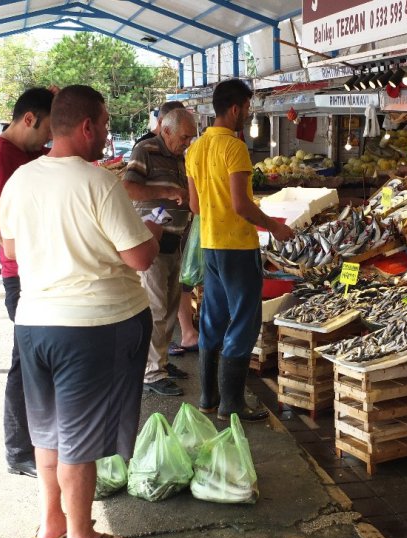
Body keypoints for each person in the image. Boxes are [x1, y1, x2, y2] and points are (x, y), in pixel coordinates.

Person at [0, 84, 158, 538]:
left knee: (47, 435)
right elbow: (140, 259)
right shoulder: (98, 182)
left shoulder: (21, 181)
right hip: (92, 329)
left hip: (34, 325)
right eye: (106, 124)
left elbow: (9, 249)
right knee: (79, 444)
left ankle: (52, 526)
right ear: (87, 126)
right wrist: (148, 231)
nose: (107, 134)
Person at [186, 79, 294, 421]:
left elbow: (194, 205)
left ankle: (208, 398)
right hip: (236, 246)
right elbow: (241, 205)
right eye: (247, 109)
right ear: (235, 108)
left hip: (210, 245)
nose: (247, 115)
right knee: (245, 321)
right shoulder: (234, 148)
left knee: (213, 318)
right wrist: (275, 226)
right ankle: (232, 403)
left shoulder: (196, 149)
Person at [0, 87, 55, 479]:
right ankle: (19, 451)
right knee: (25, 365)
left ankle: (38, 441)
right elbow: (2, 231)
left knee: (37, 362)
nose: (50, 139)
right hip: (20, 276)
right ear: (29, 119)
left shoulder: (27, 153)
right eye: (49, 128)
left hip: (41, 270)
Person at [123, 108, 197, 396]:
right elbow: (128, 188)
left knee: (169, 306)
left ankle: (161, 362)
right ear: (165, 131)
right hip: (151, 238)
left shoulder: (180, 156)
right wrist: (166, 193)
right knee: (155, 307)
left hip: (176, 239)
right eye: (184, 137)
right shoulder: (145, 150)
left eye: (190, 138)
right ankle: (152, 373)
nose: (187, 143)